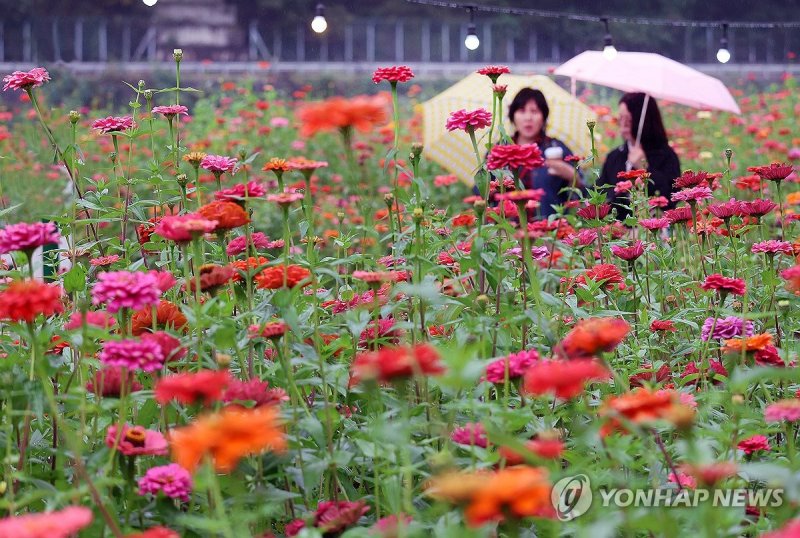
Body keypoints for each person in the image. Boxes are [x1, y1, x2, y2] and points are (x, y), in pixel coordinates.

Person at [598, 92, 680, 221]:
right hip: (618, 232)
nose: (623, 125)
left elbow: (672, 196)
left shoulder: (665, 155)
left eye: (629, 120)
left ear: (644, 120)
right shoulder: (614, 156)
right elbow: (601, 195)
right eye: (621, 118)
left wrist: (645, 168)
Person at [506, 88, 585, 219]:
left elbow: (582, 193)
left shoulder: (557, 148)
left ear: (544, 116)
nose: (528, 117)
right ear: (512, 115)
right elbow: (482, 193)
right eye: (522, 110)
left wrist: (572, 176)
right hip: (507, 232)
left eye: (535, 111)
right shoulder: (501, 149)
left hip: (549, 230)